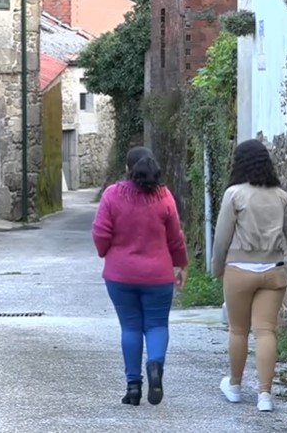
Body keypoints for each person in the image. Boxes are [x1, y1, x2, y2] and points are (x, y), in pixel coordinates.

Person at [211, 139, 287, 412]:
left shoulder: (234, 194)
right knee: (266, 332)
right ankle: (265, 395)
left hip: (239, 270)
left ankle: (235, 386)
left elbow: (221, 239)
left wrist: (218, 268)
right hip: (273, 272)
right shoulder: (281, 196)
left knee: (238, 330)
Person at [93, 146, 188, 407]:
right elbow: (175, 237)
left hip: (120, 275)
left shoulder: (112, 195)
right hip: (158, 276)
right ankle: (155, 366)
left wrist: (106, 252)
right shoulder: (164, 196)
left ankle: (133, 387)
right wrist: (180, 264)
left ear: (127, 169)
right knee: (157, 325)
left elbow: (101, 233)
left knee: (130, 327)